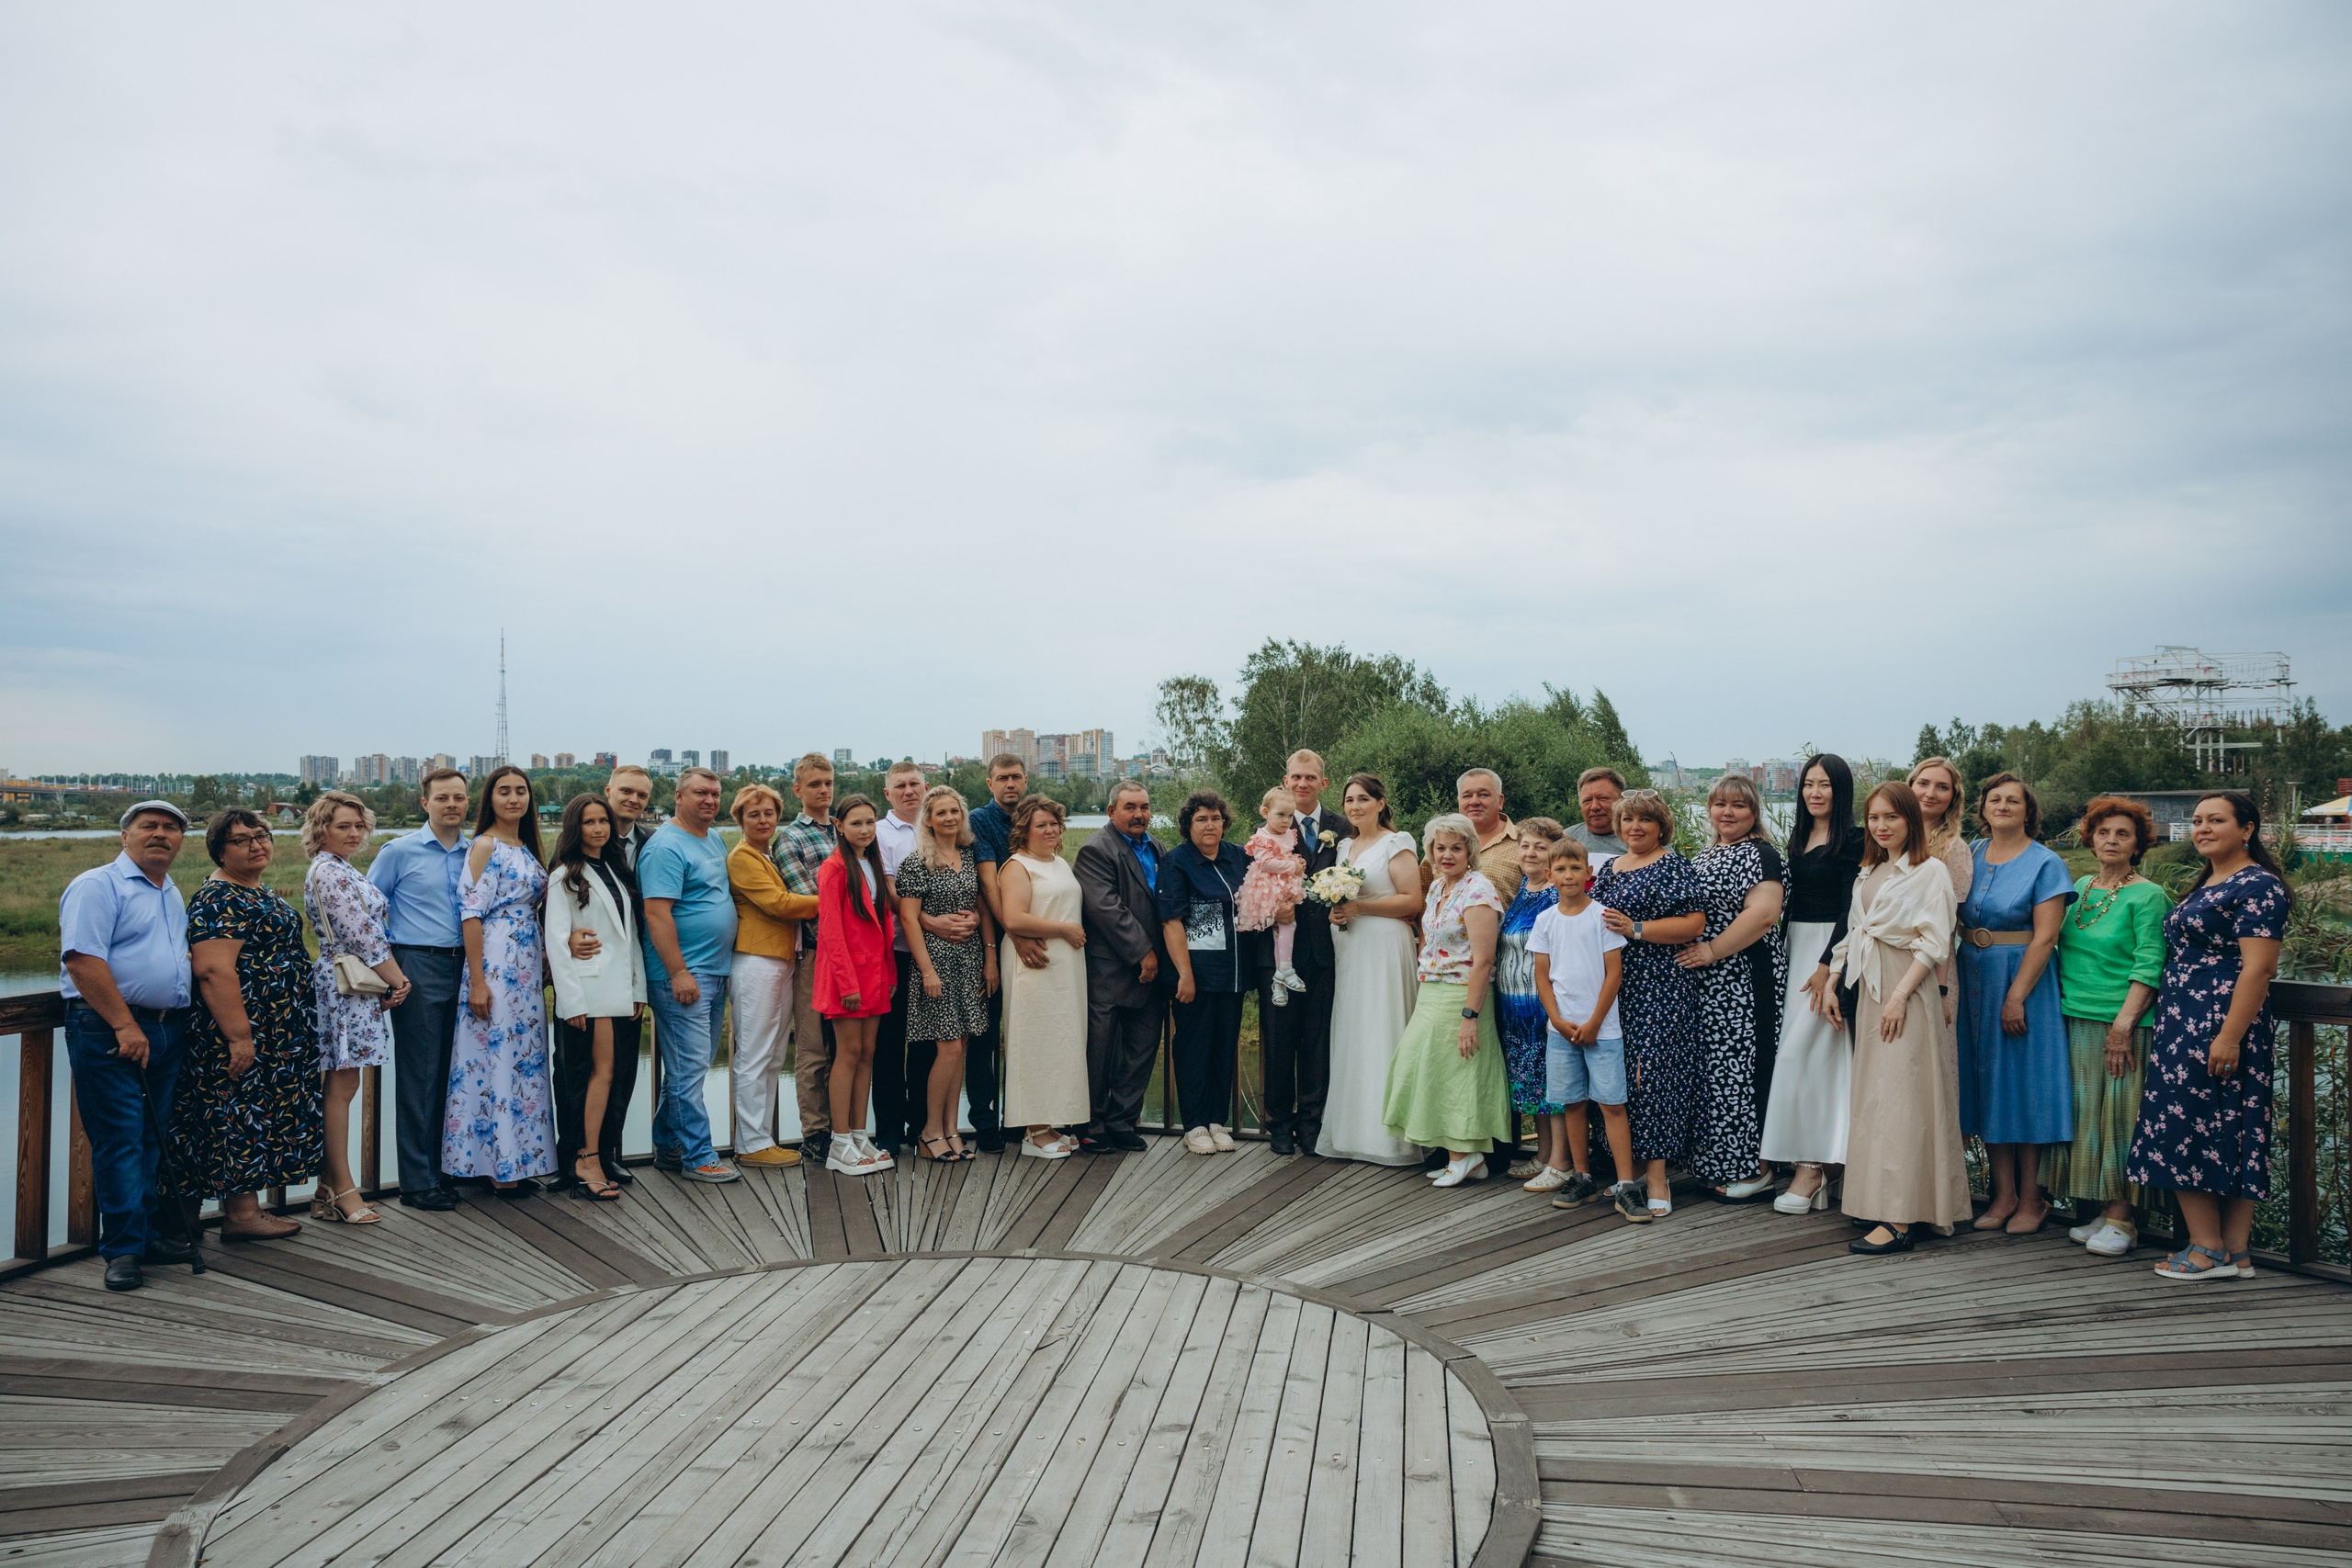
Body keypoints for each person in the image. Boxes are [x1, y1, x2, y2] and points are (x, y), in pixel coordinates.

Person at [2128, 791, 2289, 1280]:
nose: (2202, 828)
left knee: (2189, 1130)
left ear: (2247, 829)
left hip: (2218, 1025)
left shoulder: (2259, 885)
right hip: (2187, 1025)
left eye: (2215, 820)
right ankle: (2235, 1253)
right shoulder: (2212, 882)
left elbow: (2259, 969)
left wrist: (2229, 1038)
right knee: (2221, 1128)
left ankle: (2206, 1247)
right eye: (2197, 820)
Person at [58, 800, 198, 1291]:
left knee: (147, 1140)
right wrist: (123, 1025)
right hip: (111, 1030)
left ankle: (142, 1238)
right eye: (148, 827)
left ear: (181, 841)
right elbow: (82, 960)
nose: (160, 834)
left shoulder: (169, 890)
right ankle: (122, 1252)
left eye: (170, 828)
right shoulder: (98, 886)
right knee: (119, 1140)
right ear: (125, 836)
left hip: (165, 1028)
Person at [169, 808, 321, 1236]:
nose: (257, 844)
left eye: (262, 835)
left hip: (275, 1032)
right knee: (238, 1115)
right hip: (241, 1031)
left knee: (258, 1115)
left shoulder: (255, 890)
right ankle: (240, 1215)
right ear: (219, 850)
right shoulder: (220, 898)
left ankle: (247, 1210)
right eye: (242, 839)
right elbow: (214, 971)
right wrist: (239, 1037)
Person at [1832, 782, 1968, 1254]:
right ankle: (1889, 1201)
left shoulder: (1929, 871)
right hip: (1871, 987)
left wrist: (1900, 996)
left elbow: (1935, 942)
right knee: (1878, 1098)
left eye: (1891, 816)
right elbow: (1855, 931)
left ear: (1910, 819)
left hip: (1905, 987)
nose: (1881, 825)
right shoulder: (1870, 869)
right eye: (1873, 817)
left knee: (1905, 1099)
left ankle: (1901, 1219)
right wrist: (1832, 977)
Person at [2042, 796, 2168, 1258]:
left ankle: (2124, 1218)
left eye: (2123, 834)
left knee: (2121, 1120)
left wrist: (2124, 1025)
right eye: (2103, 833)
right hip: (2074, 1018)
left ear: (2138, 845)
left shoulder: (2149, 895)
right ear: (2090, 839)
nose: (2111, 840)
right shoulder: (2079, 886)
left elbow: (2149, 965)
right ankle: (2101, 1209)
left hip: (2123, 1025)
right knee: (2087, 1118)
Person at [1956, 772, 2075, 1234]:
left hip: (2022, 981)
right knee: (1986, 1085)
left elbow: (2046, 937)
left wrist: (2016, 997)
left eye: (2013, 801)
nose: (2003, 806)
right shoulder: (1970, 854)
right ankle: (2002, 1195)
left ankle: (2032, 1198)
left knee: (2023, 1087)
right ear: (1983, 809)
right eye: (1995, 800)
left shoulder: (2046, 863)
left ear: (2029, 812)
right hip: (1971, 976)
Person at [1593, 792, 1706, 1224]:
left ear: (1661, 826)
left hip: (1661, 984)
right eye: (1627, 820)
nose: (1634, 827)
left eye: (1644, 820)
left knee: (1655, 1075)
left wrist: (1636, 928)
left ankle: (1659, 1178)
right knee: (1619, 1075)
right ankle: (1632, 1171)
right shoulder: (1611, 867)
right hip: (1616, 985)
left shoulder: (1672, 864)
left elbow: (1693, 923)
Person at [1381, 814, 1510, 1187]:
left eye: (1456, 847)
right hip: (1432, 991)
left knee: (1460, 1073)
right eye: (1441, 848)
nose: (1448, 854)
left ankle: (1465, 1154)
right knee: (1427, 1068)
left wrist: (1470, 1016)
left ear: (1470, 850)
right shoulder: (1438, 887)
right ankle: (1467, 1158)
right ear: (1431, 852)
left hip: (1462, 995)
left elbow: (1484, 959)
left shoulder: (1479, 890)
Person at [1761, 754, 1866, 1213]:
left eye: (1824, 785)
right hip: (1793, 947)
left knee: (1810, 1053)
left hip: (1830, 951)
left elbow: (1851, 909)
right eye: (1808, 784)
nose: (1814, 792)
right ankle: (1815, 1161)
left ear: (1840, 791)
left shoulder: (1855, 840)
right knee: (1800, 1056)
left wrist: (1828, 966)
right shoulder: (1798, 837)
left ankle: (1815, 1166)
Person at [366, 766, 472, 1210]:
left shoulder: (479, 852)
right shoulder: (399, 852)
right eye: (442, 798)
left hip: (468, 968)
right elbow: (367, 912)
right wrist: (390, 973)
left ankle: (452, 1168)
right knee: (420, 1075)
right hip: (418, 964)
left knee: (460, 1072)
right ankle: (417, 1181)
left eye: (460, 798)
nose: (452, 805)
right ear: (424, 803)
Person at [1679, 774, 1789, 1202]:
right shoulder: (1707, 854)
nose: (1727, 812)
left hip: (1746, 978)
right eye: (1720, 804)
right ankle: (1718, 1163)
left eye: (1738, 806)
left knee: (1748, 1069)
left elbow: (1763, 916)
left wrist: (1710, 952)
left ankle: (1758, 1168)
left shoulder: (1762, 855)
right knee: (1717, 1072)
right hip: (1709, 984)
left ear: (1754, 811)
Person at [444, 766, 554, 1193]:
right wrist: (477, 981)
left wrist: (543, 950)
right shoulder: (486, 845)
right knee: (492, 1060)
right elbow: (470, 912)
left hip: (525, 965)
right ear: (490, 797)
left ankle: (518, 1160)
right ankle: (494, 1167)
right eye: (504, 791)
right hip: (495, 962)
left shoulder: (525, 846)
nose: (514, 798)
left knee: (521, 1060)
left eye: (521, 791)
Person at [302, 792, 405, 1225]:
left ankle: (329, 1186)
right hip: (346, 987)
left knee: (346, 1086)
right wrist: (397, 978)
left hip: (354, 987)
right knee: (342, 1088)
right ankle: (342, 1188)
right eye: (343, 825)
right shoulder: (328, 871)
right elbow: (362, 934)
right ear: (321, 828)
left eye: (359, 826)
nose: (354, 833)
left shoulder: (341, 868)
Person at [1317, 774, 1424, 1166]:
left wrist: (1361, 907)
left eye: (1364, 799)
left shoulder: (1398, 843)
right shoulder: (1345, 844)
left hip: (1384, 945)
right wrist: (1338, 907)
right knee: (1355, 1031)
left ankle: (1391, 1139)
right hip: (1350, 946)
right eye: (1349, 800)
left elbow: (1413, 900)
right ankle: (1353, 1133)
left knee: (1384, 1029)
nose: (1355, 806)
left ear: (1381, 803)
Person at [640, 766, 740, 1184]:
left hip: (714, 970)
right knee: (689, 1070)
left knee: (688, 1066)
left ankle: (668, 1145)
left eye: (715, 794)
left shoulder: (712, 837)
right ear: (678, 797)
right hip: (683, 975)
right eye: (700, 793)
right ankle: (699, 1156)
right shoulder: (666, 847)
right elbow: (656, 913)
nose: (710, 801)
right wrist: (678, 972)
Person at [544, 795, 647, 1200]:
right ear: (575, 828)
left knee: (616, 1075)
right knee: (598, 1074)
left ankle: (599, 1154)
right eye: (589, 822)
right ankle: (585, 1159)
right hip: (590, 992)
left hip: (621, 990)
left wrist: (638, 988)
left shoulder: (618, 871)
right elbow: (556, 941)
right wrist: (572, 1002)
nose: (599, 828)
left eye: (603, 820)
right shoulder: (565, 876)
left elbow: (631, 937)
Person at [1529, 838, 1632, 1209]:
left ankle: (1625, 1183)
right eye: (1560, 869)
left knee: (1612, 1105)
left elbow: (1613, 974)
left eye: (1575, 868)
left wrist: (1594, 1022)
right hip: (1561, 1032)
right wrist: (1556, 1018)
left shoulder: (1602, 916)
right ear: (1549, 874)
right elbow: (1543, 976)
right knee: (1572, 1103)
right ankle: (1582, 1175)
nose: (1568, 875)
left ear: (1589, 873)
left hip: (1602, 1031)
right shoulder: (1546, 921)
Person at [896, 784, 995, 1161]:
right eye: (941, 813)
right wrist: (926, 971)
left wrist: (989, 959)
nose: (950, 818)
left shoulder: (969, 856)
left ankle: (952, 1129)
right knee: (948, 1047)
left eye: (955, 811)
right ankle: (928, 1132)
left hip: (969, 961)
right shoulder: (917, 861)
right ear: (929, 820)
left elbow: (981, 907)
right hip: (936, 962)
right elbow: (908, 917)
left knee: (963, 1046)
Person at [1075, 780, 1168, 1156]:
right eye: (1130, 807)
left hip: (1155, 970)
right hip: (1112, 969)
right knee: (1100, 1051)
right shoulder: (1096, 849)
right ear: (1111, 811)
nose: (1139, 814)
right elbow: (1106, 909)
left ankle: (1122, 1121)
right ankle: (1092, 1125)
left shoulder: (1156, 846)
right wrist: (1143, 952)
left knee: (1141, 1050)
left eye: (1144, 807)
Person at [726, 784, 816, 1170]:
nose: (763, 820)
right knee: (754, 1054)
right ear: (741, 820)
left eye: (769, 814)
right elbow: (779, 904)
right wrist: (840, 896)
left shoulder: (768, 854)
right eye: (753, 815)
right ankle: (750, 1143)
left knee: (774, 1055)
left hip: (779, 961)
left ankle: (760, 1138)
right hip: (756, 961)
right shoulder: (743, 857)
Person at [1157, 790, 1250, 1155]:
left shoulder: (1238, 856)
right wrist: (1185, 974)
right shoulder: (1177, 863)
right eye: (1201, 819)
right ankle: (1194, 1124)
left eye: (1215, 818)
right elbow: (1171, 921)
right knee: (1194, 1047)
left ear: (1224, 822)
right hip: (1193, 974)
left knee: (1224, 1047)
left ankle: (1217, 1120)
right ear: (1188, 825)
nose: (1210, 825)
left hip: (1233, 973)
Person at [997, 795, 1091, 1158]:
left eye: (1054, 823)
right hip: (1034, 967)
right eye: (1042, 825)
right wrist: (1065, 930)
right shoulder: (1018, 866)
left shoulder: (1058, 863)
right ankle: (1033, 1131)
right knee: (1032, 1039)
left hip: (1065, 968)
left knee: (1060, 1040)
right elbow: (1015, 917)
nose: (1050, 830)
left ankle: (1050, 1123)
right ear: (1025, 829)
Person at [1263, 750, 1341, 1156]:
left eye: (1311, 777)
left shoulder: (1343, 828)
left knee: (1317, 1043)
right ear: (1286, 779)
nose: (1302, 784)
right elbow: (1252, 886)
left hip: (1326, 953)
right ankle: (1278, 1124)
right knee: (1278, 1041)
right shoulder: (1270, 825)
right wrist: (1269, 911)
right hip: (1281, 955)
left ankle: (1313, 1123)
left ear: (1322, 783)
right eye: (1296, 777)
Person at [815, 794, 897, 1175]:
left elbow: (884, 925)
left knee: (868, 1053)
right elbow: (831, 931)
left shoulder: (873, 862)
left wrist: (891, 974)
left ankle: (860, 1134)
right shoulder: (834, 869)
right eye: (856, 823)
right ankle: (840, 1142)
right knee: (847, 1055)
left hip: (876, 974)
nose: (864, 830)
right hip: (846, 978)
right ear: (839, 826)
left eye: (870, 822)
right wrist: (847, 984)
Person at [966, 752, 1037, 1154]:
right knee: (985, 1036)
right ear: (989, 783)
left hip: (1029, 936)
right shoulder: (980, 819)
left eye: (1016, 777)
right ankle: (985, 1121)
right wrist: (1014, 934)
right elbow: (989, 884)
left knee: (1024, 1031)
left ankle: (1022, 1117)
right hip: (993, 939)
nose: (1010, 784)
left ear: (1025, 781)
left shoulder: (1033, 817)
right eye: (1002, 778)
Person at [775, 752, 840, 1160]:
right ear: (798, 790)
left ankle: (847, 1128)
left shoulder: (846, 830)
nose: (824, 790)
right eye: (814, 784)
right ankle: (816, 1133)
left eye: (829, 782)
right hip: (819, 954)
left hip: (860, 955)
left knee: (848, 1049)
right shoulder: (791, 838)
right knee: (814, 1049)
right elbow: (814, 904)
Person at [1495, 818, 1566, 1182]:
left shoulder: (1557, 894)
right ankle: (1542, 1155)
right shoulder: (1525, 887)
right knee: (1534, 1084)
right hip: (1514, 1006)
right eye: (1525, 845)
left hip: (1542, 1005)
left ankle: (1560, 1163)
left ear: (1554, 851)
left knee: (1553, 1085)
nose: (1530, 852)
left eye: (1539, 846)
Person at [869, 761, 930, 1157]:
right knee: (889, 1045)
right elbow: (890, 893)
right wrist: (931, 921)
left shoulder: (939, 825)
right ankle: (888, 1129)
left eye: (915, 784)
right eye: (900, 786)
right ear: (888, 794)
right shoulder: (879, 834)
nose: (909, 791)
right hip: (894, 951)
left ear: (926, 788)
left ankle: (922, 1125)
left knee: (927, 1042)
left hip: (936, 953)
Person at [1908, 756, 1976, 1027]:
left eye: (1942, 787)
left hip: (1932, 968)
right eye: (1923, 783)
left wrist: (1941, 989)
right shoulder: (1886, 836)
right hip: (1884, 961)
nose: (1930, 793)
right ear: (1910, 786)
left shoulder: (1954, 849)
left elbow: (1946, 927)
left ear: (1953, 797)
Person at [1235, 786, 1308, 1000]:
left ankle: (1279, 984)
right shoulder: (1262, 837)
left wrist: (1298, 862)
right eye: (1281, 815)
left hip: (1282, 882)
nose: (1286, 821)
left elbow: (1287, 855)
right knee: (1286, 924)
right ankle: (1285, 969)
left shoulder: (1287, 834)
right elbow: (1266, 862)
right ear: (1266, 812)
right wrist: (1291, 867)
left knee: (1281, 930)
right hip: (1267, 886)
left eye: (1290, 815)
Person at [1451, 768, 1523, 903]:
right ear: (1459, 801)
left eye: (1483, 795)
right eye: (1467, 796)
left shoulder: (1525, 844)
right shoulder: (1441, 844)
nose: (1474, 802)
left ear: (1500, 801)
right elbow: (1421, 902)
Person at [1566, 768, 1630, 862]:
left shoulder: (1637, 840)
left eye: (1603, 798)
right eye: (1587, 800)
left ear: (1621, 800)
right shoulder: (1565, 839)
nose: (1594, 807)